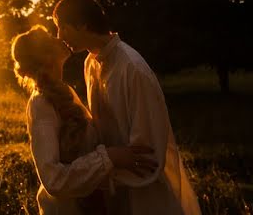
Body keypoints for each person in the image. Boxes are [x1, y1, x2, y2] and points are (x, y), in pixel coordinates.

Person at [53, 0, 202, 215]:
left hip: (144, 194)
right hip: (113, 188)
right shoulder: (90, 64)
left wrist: (100, 169)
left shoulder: (132, 68)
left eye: (62, 27)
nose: (59, 35)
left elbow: (146, 152)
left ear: (82, 24)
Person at [12, 25, 158, 215]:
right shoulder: (40, 105)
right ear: (46, 57)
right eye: (50, 37)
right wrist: (110, 157)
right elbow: (53, 180)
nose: (59, 37)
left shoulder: (64, 92)